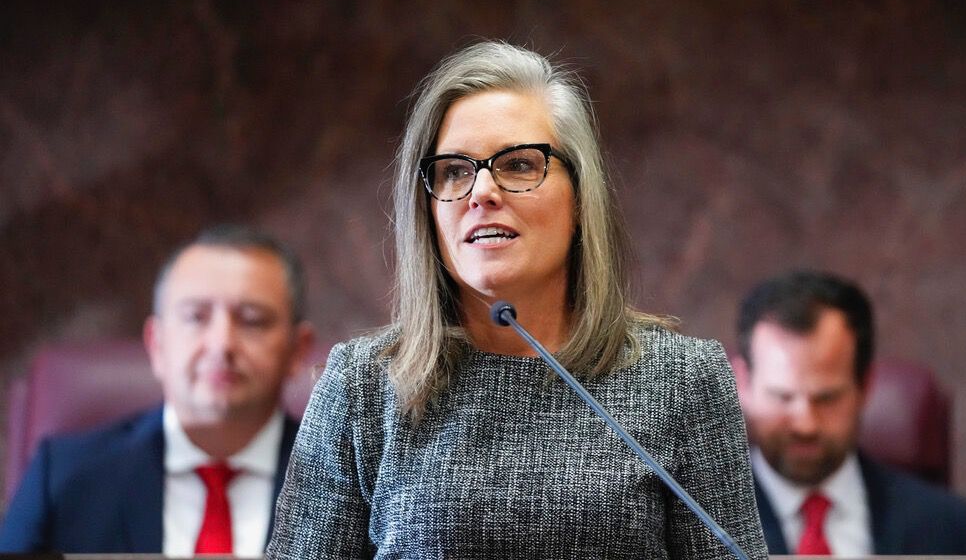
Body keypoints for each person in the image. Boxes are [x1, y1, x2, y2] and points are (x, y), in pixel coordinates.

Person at [266, 41, 767, 560]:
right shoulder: (361, 384)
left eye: (520, 165)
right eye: (454, 171)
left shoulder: (685, 378)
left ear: (581, 198)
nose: (481, 190)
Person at [0, 225, 315, 556]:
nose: (221, 344)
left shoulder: (344, 480)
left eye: (252, 320)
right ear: (156, 344)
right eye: (196, 317)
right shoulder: (66, 475)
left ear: (297, 349)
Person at [735, 270, 966, 555]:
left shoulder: (945, 525)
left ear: (865, 385)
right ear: (742, 382)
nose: (806, 425)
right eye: (783, 396)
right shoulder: (690, 526)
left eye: (827, 398)